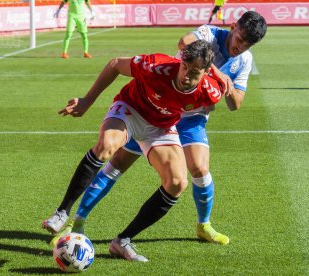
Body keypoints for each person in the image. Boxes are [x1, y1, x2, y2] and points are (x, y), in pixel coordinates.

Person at [43, 11, 267, 247]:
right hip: (156, 102)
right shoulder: (208, 34)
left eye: (247, 44)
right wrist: (215, 71)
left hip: (189, 117)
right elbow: (184, 42)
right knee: (116, 159)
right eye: (240, 39)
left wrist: (225, 89)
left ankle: (204, 225)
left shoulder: (244, 60)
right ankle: (73, 221)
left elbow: (236, 103)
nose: (240, 47)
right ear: (233, 27)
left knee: (197, 169)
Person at [48, 40, 225, 261]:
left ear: (207, 72)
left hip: (160, 126)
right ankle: (62, 212)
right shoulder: (156, 66)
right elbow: (114, 64)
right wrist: (87, 100)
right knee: (106, 148)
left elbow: (222, 94)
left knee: (177, 183)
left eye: (195, 72)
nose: (186, 75)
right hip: (130, 109)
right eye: (184, 66)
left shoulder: (211, 91)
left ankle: (122, 241)